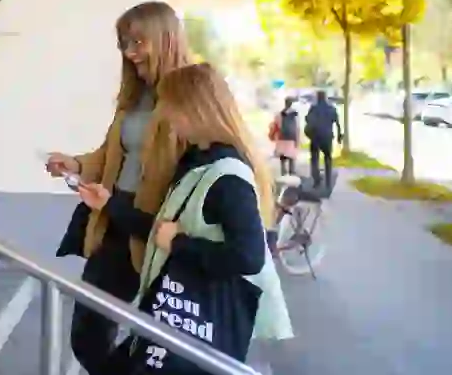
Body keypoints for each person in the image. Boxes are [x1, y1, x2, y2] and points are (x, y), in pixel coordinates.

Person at [78, 63, 292, 374]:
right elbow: (162, 230)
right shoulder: (199, 161)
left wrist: (178, 244)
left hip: (192, 321)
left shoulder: (227, 175)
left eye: (169, 105)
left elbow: (248, 257)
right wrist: (110, 205)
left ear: (194, 108)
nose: (163, 114)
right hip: (177, 316)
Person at [44, 1, 190, 375]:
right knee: (88, 334)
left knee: (163, 340)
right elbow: (113, 154)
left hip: (160, 227)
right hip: (113, 215)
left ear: (166, 38)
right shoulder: (134, 96)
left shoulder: (192, 93)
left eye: (139, 41)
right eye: (125, 42)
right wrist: (76, 165)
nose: (129, 53)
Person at [305, 90, 342, 189]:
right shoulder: (331, 109)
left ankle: (316, 180)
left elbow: (308, 120)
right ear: (325, 97)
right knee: (328, 158)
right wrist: (339, 136)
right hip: (327, 137)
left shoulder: (313, 108)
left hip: (315, 136)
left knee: (314, 159)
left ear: (317, 97)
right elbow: (337, 123)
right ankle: (328, 182)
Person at [267, 97, 299, 176]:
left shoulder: (279, 114)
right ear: (291, 104)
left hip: (282, 138)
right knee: (291, 157)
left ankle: (283, 173)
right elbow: (297, 128)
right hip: (291, 138)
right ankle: (292, 173)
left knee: (283, 158)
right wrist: (297, 140)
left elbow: (275, 126)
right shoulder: (295, 114)